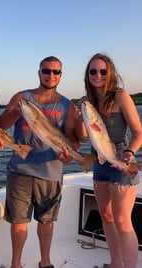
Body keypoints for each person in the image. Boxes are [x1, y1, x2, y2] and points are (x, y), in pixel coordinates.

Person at [0, 56, 84, 268]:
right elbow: (0, 127)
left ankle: (45, 262)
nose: (51, 75)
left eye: (56, 72)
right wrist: (15, 112)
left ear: (61, 75)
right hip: (20, 170)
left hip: (51, 171)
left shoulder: (67, 105)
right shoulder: (22, 97)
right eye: (46, 71)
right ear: (39, 72)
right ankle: (15, 263)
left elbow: (73, 140)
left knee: (46, 221)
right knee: (18, 222)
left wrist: (70, 154)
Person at [77, 53, 142, 268]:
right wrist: (80, 121)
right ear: (88, 75)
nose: (98, 75)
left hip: (121, 159)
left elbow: (138, 132)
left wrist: (130, 154)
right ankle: (115, 263)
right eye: (93, 71)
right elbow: (85, 137)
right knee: (106, 216)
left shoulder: (121, 96)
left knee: (123, 222)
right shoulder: (86, 101)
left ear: (110, 73)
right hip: (99, 162)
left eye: (103, 71)